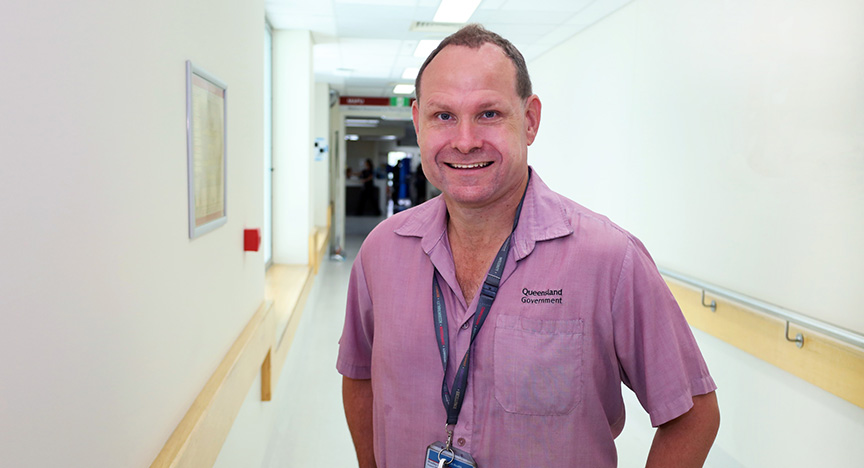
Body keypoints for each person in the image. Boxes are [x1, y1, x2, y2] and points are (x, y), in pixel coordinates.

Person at [337, 24, 719, 468]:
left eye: (489, 114)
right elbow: (359, 375)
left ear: (530, 119)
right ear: (418, 121)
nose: (464, 140)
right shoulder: (382, 252)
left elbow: (693, 414)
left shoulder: (608, 259)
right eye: (444, 116)